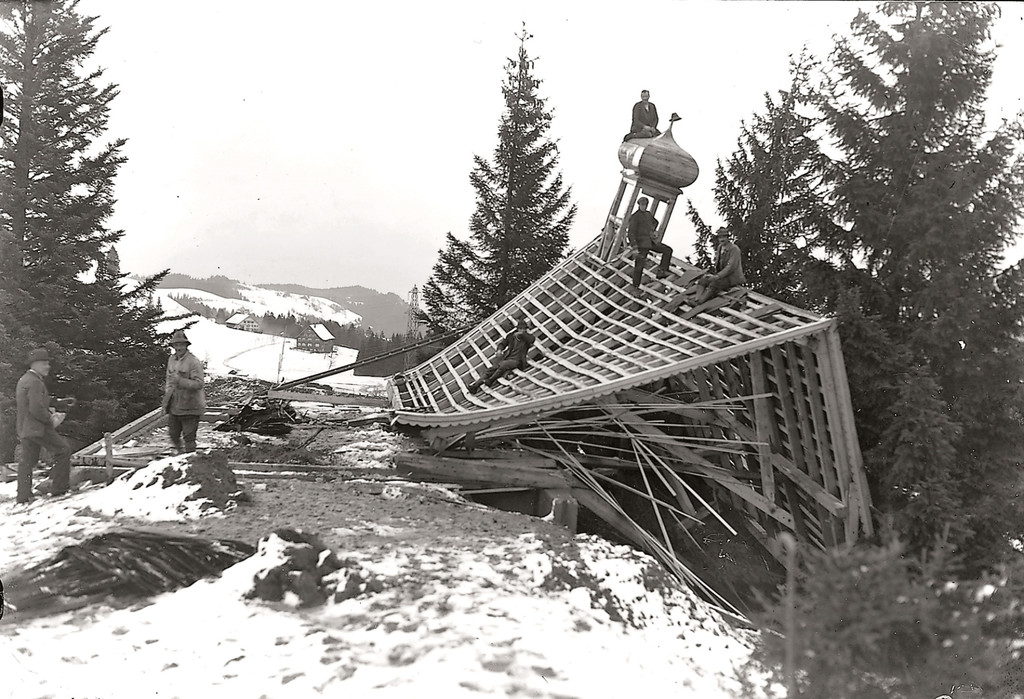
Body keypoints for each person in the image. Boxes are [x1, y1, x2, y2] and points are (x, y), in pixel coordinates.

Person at [15, 348, 77, 504]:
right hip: (39, 427)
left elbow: (31, 402)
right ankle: (60, 490)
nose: (47, 367)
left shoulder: (24, 379)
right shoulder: (35, 382)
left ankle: (23, 496)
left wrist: (57, 402)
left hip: (26, 429)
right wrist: (51, 419)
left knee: (27, 462)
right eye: (44, 363)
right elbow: (36, 408)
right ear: (34, 364)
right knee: (63, 450)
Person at [162, 330, 206, 452]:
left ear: (186, 346)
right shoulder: (171, 359)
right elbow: (169, 381)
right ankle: (181, 457)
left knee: (189, 437)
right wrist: (166, 402)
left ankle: (190, 462)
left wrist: (180, 381)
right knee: (173, 434)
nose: (179, 347)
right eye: (176, 345)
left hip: (191, 406)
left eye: (181, 345)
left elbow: (199, 384)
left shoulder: (193, 362)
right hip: (175, 406)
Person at [468, 319, 536, 394]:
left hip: (517, 360)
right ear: (517, 328)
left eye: (523, 329)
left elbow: (531, 340)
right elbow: (502, 344)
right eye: (520, 329)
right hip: (507, 358)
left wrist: (521, 334)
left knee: (503, 366)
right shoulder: (511, 336)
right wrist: (499, 350)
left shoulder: (528, 337)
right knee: (490, 369)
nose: (522, 330)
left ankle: (490, 380)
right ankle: (475, 386)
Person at [627, 197, 673, 290]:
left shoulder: (648, 215)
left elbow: (655, 222)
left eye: (645, 205)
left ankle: (661, 271)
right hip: (641, 245)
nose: (644, 206)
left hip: (650, 242)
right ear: (639, 205)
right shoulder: (635, 217)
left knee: (667, 250)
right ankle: (635, 288)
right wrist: (634, 247)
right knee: (639, 266)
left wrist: (653, 231)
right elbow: (631, 233)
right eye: (642, 205)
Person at [693, 226, 746, 304]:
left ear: (728, 238)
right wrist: (714, 276)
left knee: (715, 284)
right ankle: (697, 298)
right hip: (721, 276)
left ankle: (700, 301)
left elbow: (730, 267)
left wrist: (717, 276)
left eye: (724, 237)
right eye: (720, 237)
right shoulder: (720, 247)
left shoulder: (734, 249)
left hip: (732, 278)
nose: (722, 239)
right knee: (704, 279)